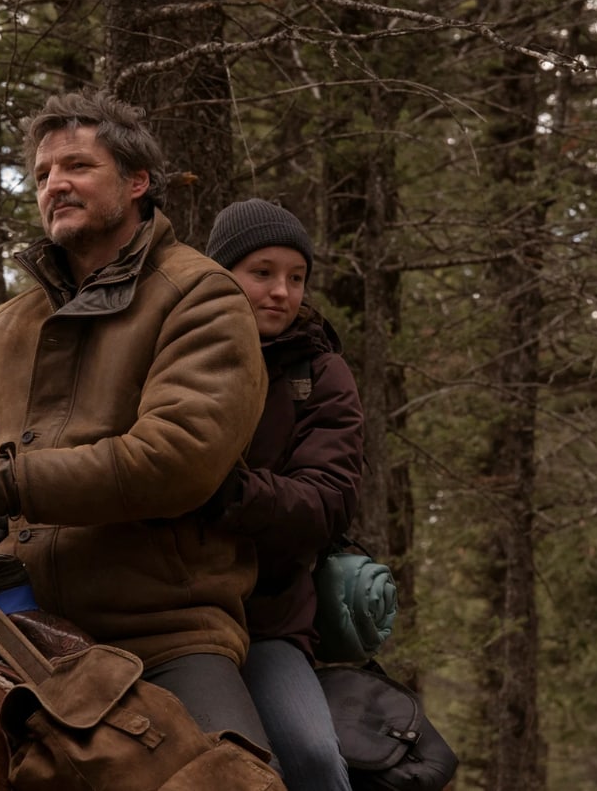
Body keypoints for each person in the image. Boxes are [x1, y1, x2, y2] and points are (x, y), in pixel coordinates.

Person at [0, 89, 276, 756]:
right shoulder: (0, 329)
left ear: (138, 182)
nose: (56, 184)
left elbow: (178, 457)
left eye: (78, 166)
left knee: (235, 780)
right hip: (6, 634)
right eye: (43, 174)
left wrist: (13, 481)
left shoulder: (199, 296)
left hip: (160, 633)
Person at [206, 198, 365, 791]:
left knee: (312, 758)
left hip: (268, 625)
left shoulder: (320, 374)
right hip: (167, 615)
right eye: (262, 272)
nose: (281, 292)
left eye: (296, 278)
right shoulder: (176, 355)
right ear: (221, 274)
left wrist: (227, 494)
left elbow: (327, 502)